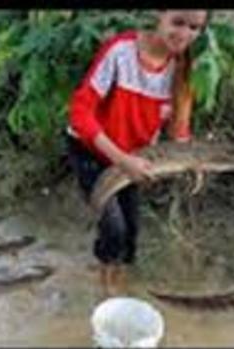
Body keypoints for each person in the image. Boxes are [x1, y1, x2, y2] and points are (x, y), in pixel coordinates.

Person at [66, 10, 209, 296]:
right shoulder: (121, 51)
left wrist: (193, 163)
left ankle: (116, 276)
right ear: (160, 15)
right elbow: (80, 114)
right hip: (92, 149)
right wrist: (122, 160)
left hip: (134, 158)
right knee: (114, 227)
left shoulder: (183, 69)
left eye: (194, 27)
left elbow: (179, 130)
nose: (184, 34)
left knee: (131, 233)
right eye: (178, 22)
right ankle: (106, 291)